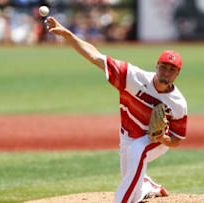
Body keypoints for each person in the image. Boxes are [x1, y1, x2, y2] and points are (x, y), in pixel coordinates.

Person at [44, 16, 187, 203]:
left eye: (172, 69)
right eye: (164, 67)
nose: (166, 72)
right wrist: (68, 35)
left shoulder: (178, 103)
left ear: (177, 73)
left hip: (154, 140)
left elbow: (176, 140)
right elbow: (96, 57)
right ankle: (148, 186)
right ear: (156, 66)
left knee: (138, 151)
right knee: (132, 180)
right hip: (127, 135)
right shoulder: (133, 77)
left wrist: (161, 137)